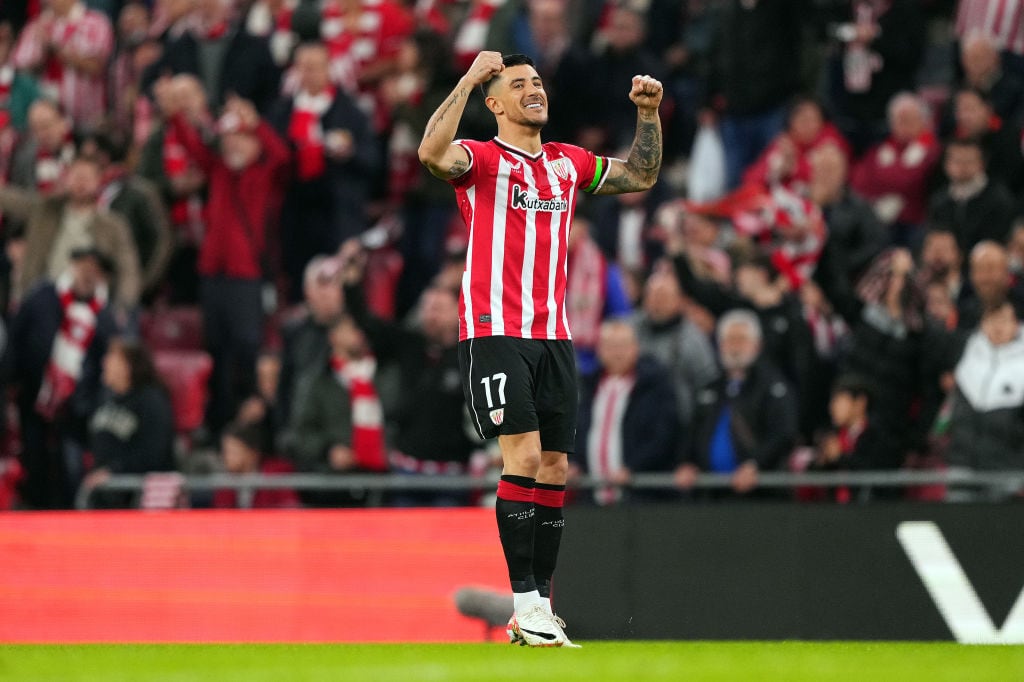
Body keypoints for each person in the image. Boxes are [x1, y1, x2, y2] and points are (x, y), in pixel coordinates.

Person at [417, 51, 663, 647]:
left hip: (553, 335)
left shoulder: (566, 164)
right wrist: (470, 79)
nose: (533, 90)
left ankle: (540, 608)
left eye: (537, 82)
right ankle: (524, 602)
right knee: (522, 456)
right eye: (518, 85)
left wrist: (648, 114)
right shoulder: (480, 159)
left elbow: (640, 175)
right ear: (495, 103)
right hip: (494, 328)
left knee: (555, 467)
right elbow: (429, 153)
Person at [4, 248, 117, 509]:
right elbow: (16, 338)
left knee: (71, 468)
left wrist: (90, 402)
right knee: (34, 461)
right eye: (83, 267)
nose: (87, 275)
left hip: (77, 410)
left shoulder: (104, 316)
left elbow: (108, 363)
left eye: (95, 270)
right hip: (34, 396)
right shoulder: (43, 297)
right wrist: (11, 379)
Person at [673, 309, 799, 498]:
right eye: (729, 340)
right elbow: (692, 432)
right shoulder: (711, 388)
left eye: (741, 339)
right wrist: (687, 462)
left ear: (757, 345)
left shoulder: (773, 386)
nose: (735, 346)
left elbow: (784, 433)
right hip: (711, 494)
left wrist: (757, 464)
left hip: (759, 495)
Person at [573, 320, 680, 505]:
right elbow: (577, 430)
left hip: (642, 496)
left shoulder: (655, 387)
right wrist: (574, 462)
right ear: (599, 350)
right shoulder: (589, 387)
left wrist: (633, 468)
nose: (617, 353)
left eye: (622, 346)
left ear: (635, 348)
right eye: (610, 346)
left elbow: (663, 436)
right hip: (592, 495)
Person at [82, 337, 176, 508]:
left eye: (112, 357)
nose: (105, 362)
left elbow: (155, 453)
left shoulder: (151, 400)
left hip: (140, 497)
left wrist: (115, 472)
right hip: (104, 495)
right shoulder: (107, 401)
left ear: (128, 366)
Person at [946, 299, 1024, 500]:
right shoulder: (966, 354)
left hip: (1007, 474)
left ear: (1016, 324)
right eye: (992, 320)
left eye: (1005, 320)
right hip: (962, 468)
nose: (998, 327)